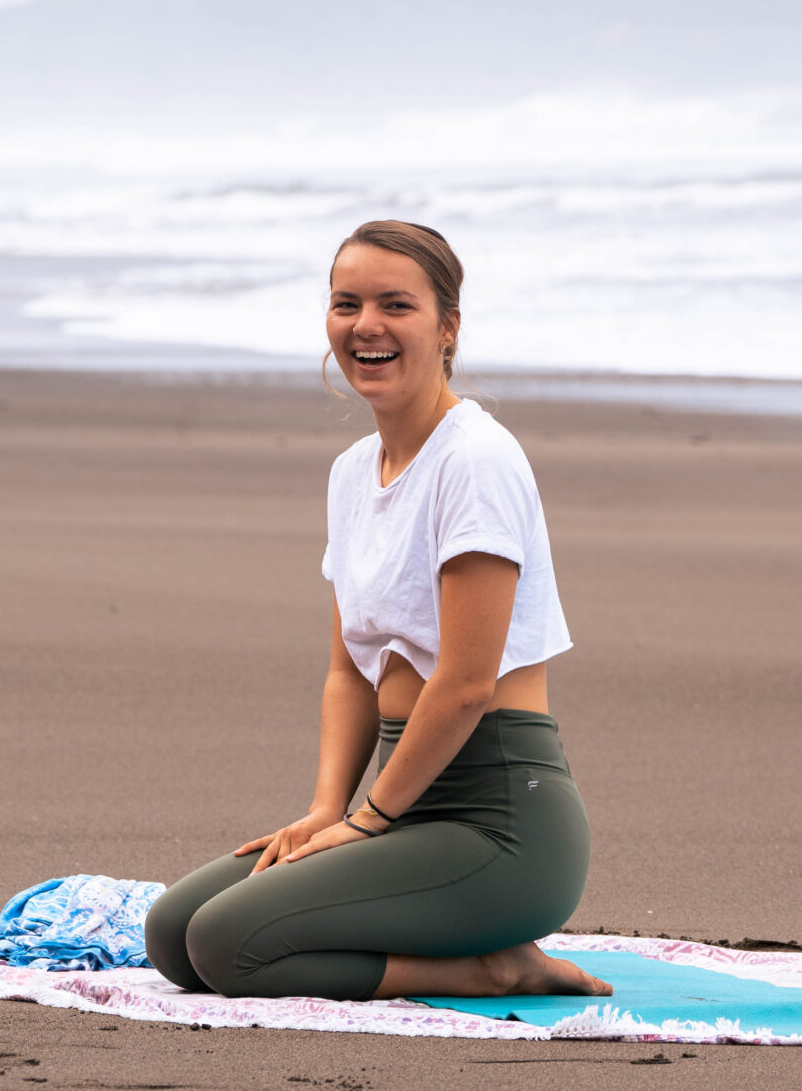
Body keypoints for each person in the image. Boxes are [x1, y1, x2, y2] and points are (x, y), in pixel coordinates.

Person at [143, 220, 611, 1002]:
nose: (367, 325)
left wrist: (367, 820)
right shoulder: (353, 473)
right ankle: (463, 941)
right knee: (174, 934)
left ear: (447, 327)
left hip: (501, 822)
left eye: (396, 304)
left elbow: (464, 686)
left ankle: (497, 965)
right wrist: (327, 806)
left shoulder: (476, 459)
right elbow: (348, 673)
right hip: (403, 802)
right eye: (346, 303)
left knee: (228, 945)